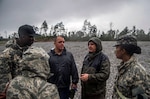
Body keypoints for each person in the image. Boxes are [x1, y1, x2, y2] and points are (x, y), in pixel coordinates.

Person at [0, 24, 36, 93]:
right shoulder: (6, 55)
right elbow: (4, 81)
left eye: (33, 37)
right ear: (22, 36)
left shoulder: (31, 52)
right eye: (30, 37)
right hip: (15, 93)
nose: (33, 39)